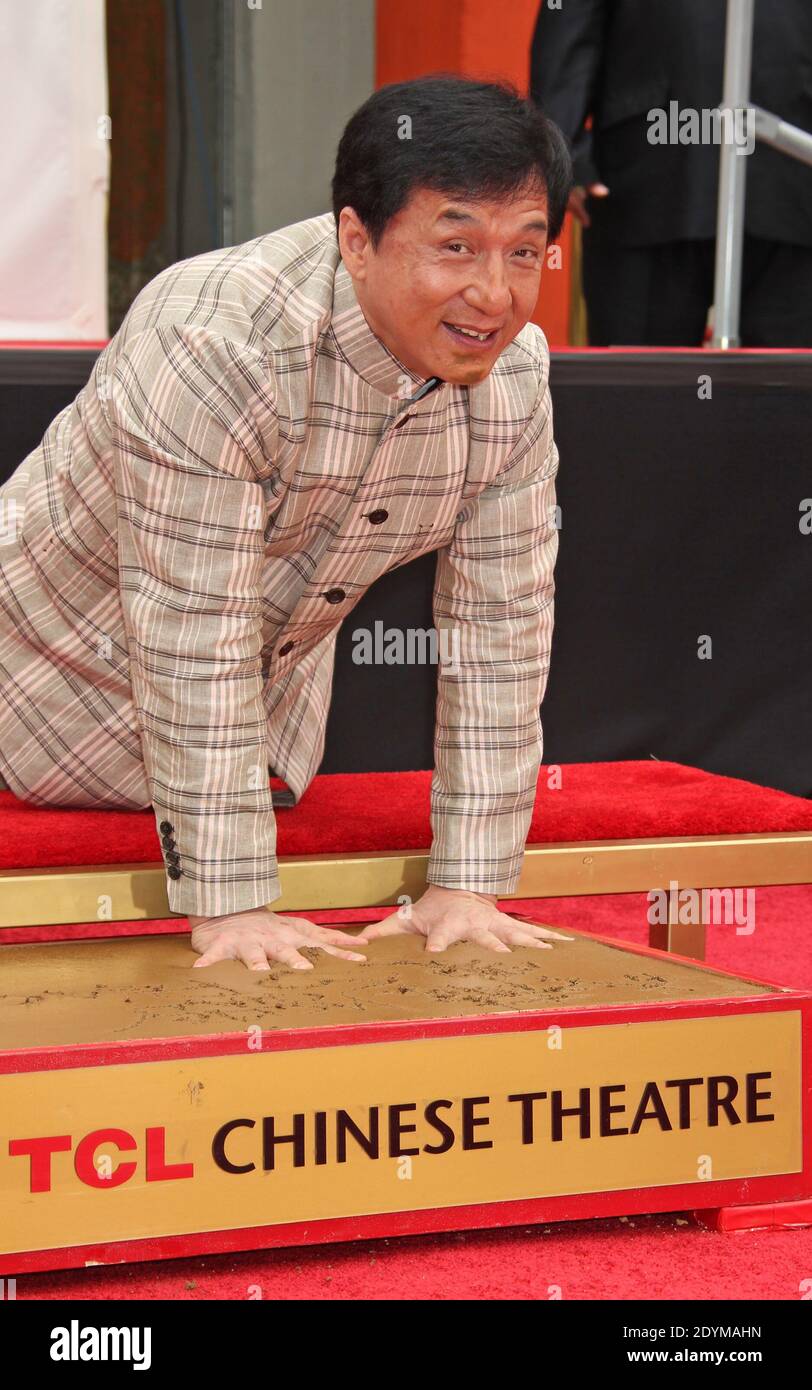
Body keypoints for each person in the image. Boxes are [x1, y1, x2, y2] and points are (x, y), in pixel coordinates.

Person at [0, 76, 574, 972]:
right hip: (34, 690)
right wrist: (232, 902)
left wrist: (469, 881)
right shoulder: (213, 340)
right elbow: (194, 628)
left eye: (523, 254)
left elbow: (502, 628)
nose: (493, 295)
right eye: (455, 246)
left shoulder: (515, 379)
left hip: (256, 744)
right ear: (356, 236)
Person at [530, 0, 812, 345]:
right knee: (641, 382)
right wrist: (560, 151)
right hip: (644, 176)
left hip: (795, 175)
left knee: (788, 387)